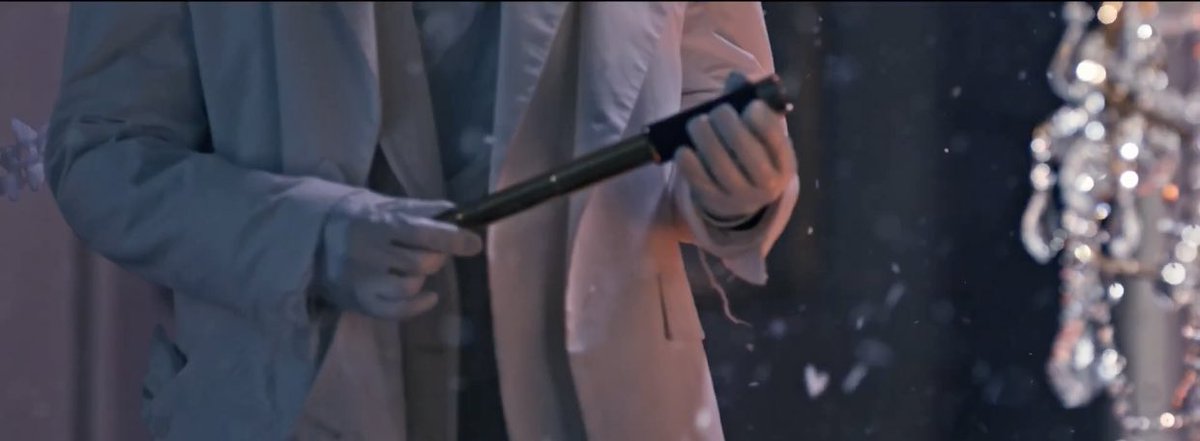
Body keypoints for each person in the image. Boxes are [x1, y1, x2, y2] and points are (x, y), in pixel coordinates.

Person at [46, 2, 799, 440]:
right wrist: (308, 237)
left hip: (607, 406)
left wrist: (739, 187)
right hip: (292, 402)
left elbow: (718, 98)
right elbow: (102, 151)